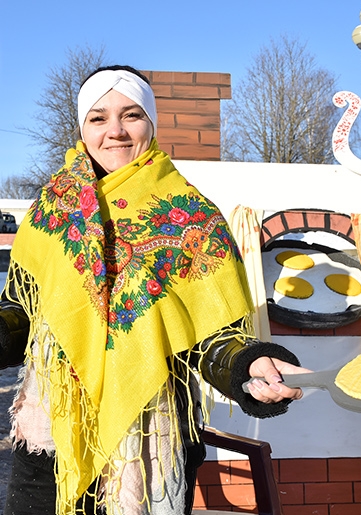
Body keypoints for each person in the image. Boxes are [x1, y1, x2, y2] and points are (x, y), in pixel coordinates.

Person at [3, 66, 307, 514]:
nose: (116, 132)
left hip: (150, 450)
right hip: (53, 439)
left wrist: (248, 364)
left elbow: (215, 336)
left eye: (131, 115)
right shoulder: (50, 210)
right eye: (99, 118)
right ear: (82, 128)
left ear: (151, 122)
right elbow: (21, 310)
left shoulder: (192, 216)